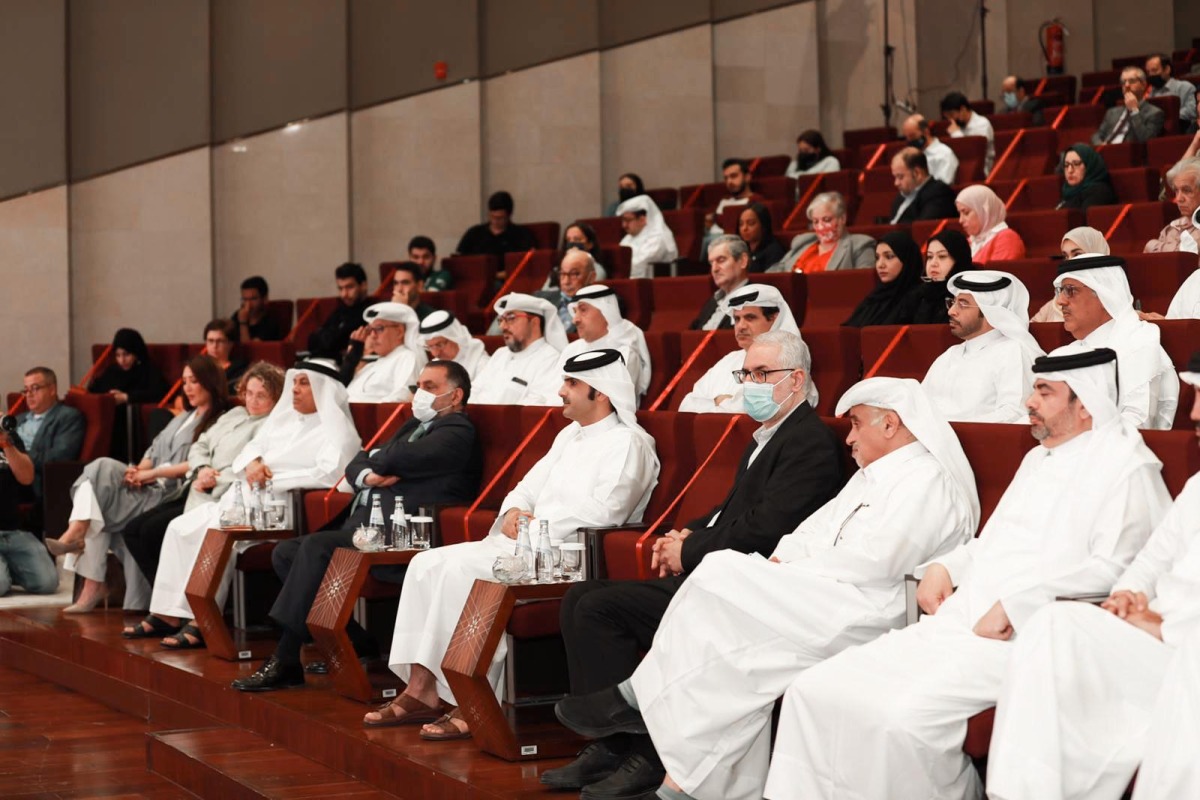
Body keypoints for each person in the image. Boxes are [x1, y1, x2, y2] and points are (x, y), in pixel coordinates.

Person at [764, 346, 1172, 800]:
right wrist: (945, 565)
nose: (1029, 402)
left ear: (1086, 404)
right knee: (814, 689)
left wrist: (1018, 605)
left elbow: (1120, 571)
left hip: (1028, 639)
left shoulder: (1127, 469)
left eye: (1044, 392)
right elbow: (992, 542)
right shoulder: (1040, 460)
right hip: (961, 620)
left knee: (899, 719)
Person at [554, 377, 979, 800]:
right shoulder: (870, 478)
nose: (849, 437)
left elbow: (878, 562)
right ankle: (680, 785)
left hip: (870, 608)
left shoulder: (926, 481)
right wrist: (782, 561)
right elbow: (810, 532)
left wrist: (787, 572)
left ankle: (640, 700)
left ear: (890, 424)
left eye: (856, 424)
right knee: (733, 663)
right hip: (820, 596)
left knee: (719, 575)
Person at [546, 332, 849, 798]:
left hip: (746, 587)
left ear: (797, 379)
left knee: (599, 607)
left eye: (761, 374)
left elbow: (767, 527)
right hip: (716, 570)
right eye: (745, 374)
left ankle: (648, 755)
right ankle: (611, 745)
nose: (749, 383)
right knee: (584, 597)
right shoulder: (767, 436)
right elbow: (728, 513)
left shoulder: (809, 442)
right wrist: (684, 533)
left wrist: (689, 550)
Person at [363, 350, 660, 739]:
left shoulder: (629, 443)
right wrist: (516, 512)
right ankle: (421, 689)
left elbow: (609, 510)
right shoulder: (568, 435)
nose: (561, 391)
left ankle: (474, 701)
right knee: (426, 563)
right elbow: (525, 487)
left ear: (600, 392)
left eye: (571, 384)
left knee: (457, 571)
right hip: (523, 545)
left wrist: (535, 527)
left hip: (565, 556)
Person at [985, 353, 1200, 800]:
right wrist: (1127, 594)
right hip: (1153, 636)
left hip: (1186, 649)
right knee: (1051, 624)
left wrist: (1162, 625)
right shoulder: (1198, 488)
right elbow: (1152, 557)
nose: (1194, 413)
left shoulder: (1125, 462)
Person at [230, 360, 483, 692]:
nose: (420, 393)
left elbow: (395, 459)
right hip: (366, 526)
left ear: (455, 395)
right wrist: (369, 473)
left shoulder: (458, 430)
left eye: (430, 387)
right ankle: (358, 639)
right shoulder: (413, 426)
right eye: (418, 385)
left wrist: (380, 460)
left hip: (403, 532)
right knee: (286, 552)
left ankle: (286, 657)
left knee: (315, 547)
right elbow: (358, 461)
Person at [130, 360, 360, 649]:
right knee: (179, 526)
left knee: (216, 532)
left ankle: (202, 621)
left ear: (324, 390)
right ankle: (167, 613)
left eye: (304, 383)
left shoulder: (336, 430)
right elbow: (251, 449)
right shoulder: (287, 419)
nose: (296, 390)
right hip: (244, 498)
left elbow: (330, 474)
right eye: (295, 382)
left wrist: (272, 477)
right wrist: (253, 462)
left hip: (282, 507)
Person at [46, 356, 234, 614]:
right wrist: (138, 471)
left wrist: (151, 474)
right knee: (100, 473)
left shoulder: (218, 421)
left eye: (195, 381)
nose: (188, 388)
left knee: (98, 497)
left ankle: (78, 542)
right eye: (185, 381)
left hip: (169, 492)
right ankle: (78, 531)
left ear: (211, 383)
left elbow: (195, 464)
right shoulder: (182, 417)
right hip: (148, 482)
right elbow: (153, 449)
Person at [121, 363, 282, 597]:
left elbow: (247, 467)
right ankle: (166, 601)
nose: (252, 401)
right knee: (133, 530)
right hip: (196, 484)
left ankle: (181, 603)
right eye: (248, 393)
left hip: (218, 494)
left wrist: (213, 479)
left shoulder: (269, 425)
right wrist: (203, 468)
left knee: (152, 531)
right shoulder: (235, 414)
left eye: (261, 396)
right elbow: (200, 444)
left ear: (276, 398)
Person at [1054, 254, 1179, 429]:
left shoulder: (1138, 341)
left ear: (1105, 294)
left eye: (1070, 290)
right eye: (1060, 291)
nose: (1060, 301)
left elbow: (1138, 421)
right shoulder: (1067, 352)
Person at [922, 271, 1044, 423]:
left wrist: (951, 430)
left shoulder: (1012, 351)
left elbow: (1014, 412)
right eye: (952, 302)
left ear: (990, 311)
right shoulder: (950, 354)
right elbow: (919, 406)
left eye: (963, 304)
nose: (951, 311)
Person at [678, 284, 810, 415]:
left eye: (750, 318)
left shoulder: (790, 353)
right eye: (737, 319)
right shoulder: (730, 358)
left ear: (774, 318)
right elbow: (686, 405)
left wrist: (717, 403)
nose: (740, 326)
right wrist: (722, 402)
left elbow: (761, 409)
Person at [471, 292, 567, 405]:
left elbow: (537, 407)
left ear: (534, 322)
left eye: (511, 318)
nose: (502, 326)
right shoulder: (500, 354)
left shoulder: (551, 359)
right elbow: (474, 392)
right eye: (501, 320)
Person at [560, 284, 652, 399]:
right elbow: (553, 392)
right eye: (574, 311)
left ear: (607, 312)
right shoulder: (571, 349)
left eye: (583, 310)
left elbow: (606, 404)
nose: (575, 320)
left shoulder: (623, 354)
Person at [0, 423, 60, 598]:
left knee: (47, 583)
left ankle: (7, 568)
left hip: (13, 531)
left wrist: (6, 444)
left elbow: (26, 478)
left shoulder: (9, 436)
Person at [16, 367, 84, 502]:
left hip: (33, 481)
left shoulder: (68, 417)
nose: (29, 395)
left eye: (35, 388)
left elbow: (57, 458)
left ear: (52, 389)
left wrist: (17, 457)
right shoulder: (18, 419)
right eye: (26, 390)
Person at [768, 192, 875, 273]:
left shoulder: (860, 245)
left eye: (826, 220)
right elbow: (775, 272)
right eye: (815, 221)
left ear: (842, 218)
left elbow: (863, 283)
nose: (820, 227)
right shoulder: (802, 242)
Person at [342, 302, 427, 403]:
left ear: (399, 331)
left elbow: (403, 396)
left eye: (378, 329)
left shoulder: (407, 357)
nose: (372, 336)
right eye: (370, 330)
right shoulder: (373, 364)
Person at [843, 231, 924, 327]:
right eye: (877, 258)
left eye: (889, 257)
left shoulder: (919, 299)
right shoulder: (874, 298)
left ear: (906, 260)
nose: (880, 264)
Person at [1031, 227, 1109, 323]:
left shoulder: (1111, 300)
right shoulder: (1055, 302)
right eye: (1066, 256)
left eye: (1077, 254)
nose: (1069, 262)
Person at [87, 328, 170, 407]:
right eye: (117, 355)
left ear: (136, 353)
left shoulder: (148, 370)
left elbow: (160, 393)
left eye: (126, 354)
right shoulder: (112, 370)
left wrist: (126, 397)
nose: (121, 360)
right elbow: (93, 391)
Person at [306, 263, 371, 362]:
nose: (344, 294)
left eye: (349, 287)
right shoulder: (340, 310)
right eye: (340, 288)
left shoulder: (369, 313)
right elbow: (312, 341)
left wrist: (328, 339)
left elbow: (337, 341)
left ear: (363, 286)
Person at [909, 229, 974, 325]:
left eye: (942, 256)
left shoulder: (970, 297)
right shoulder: (917, 296)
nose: (933, 264)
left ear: (959, 260)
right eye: (930, 257)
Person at [690, 235, 750, 330]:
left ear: (742, 261)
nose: (714, 269)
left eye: (721, 260)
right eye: (711, 263)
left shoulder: (756, 301)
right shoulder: (712, 302)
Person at [1093, 67, 1166, 145]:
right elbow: (1096, 136)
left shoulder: (1155, 113)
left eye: (1132, 81)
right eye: (1123, 82)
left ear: (1143, 84)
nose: (1126, 85)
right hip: (1106, 151)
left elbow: (1146, 140)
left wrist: (1134, 111)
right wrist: (1100, 144)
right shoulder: (1112, 112)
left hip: (1128, 152)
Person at [1144, 156, 1200, 256]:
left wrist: (1152, 245)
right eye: (1176, 191)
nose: (1179, 199)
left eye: (1187, 190)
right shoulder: (1171, 228)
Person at [956, 184, 1026, 263]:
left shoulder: (1007, 238)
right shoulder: (968, 242)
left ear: (984, 211)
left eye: (966, 213)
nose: (960, 220)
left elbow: (997, 273)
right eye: (959, 214)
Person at [455, 190, 536, 257]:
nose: (495, 221)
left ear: (509, 216)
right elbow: (460, 259)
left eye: (500, 218)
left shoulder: (521, 235)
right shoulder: (474, 233)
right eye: (492, 216)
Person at [887, 148, 957, 224]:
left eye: (900, 177)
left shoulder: (939, 193)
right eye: (895, 177)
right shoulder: (901, 197)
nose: (896, 183)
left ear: (917, 173)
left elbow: (923, 227)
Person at [616, 194, 678, 279]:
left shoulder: (658, 236)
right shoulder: (628, 238)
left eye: (628, 220)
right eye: (623, 220)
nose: (624, 225)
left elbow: (640, 265)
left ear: (642, 219)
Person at [538, 249, 598, 333]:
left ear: (591, 277)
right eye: (562, 274)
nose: (566, 282)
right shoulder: (539, 299)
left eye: (574, 274)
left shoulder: (601, 306)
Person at [418, 311, 490, 380]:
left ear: (456, 338)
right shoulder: (431, 367)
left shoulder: (481, 363)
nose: (435, 353)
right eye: (430, 347)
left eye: (439, 345)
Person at [941, 91, 996, 175]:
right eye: (947, 117)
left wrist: (956, 134)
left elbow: (973, 153)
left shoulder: (982, 124)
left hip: (981, 170)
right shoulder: (956, 126)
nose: (950, 120)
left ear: (963, 109)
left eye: (951, 115)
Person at [707, 158, 762, 235]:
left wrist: (715, 217)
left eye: (734, 176)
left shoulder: (756, 200)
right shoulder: (724, 199)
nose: (729, 182)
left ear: (747, 177)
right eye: (726, 178)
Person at [901, 114, 960, 186]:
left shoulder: (944, 154)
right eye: (907, 137)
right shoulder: (911, 155)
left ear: (926, 132)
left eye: (912, 136)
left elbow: (943, 185)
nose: (910, 140)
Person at [1057, 144, 1117, 212]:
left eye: (1076, 164)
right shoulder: (1068, 191)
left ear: (1089, 165)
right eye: (1066, 165)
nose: (1070, 170)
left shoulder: (1098, 192)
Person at [1146, 53, 1197, 129]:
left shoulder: (1185, 87)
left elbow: (1192, 111)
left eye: (1154, 70)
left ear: (1167, 69)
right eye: (1148, 72)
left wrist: (1168, 119)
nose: (1151, 75)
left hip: (1182, 129)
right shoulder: (1151, 92)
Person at [202, 319, 249, 394]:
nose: (214, 346)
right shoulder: (198, 367)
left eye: (220, 341)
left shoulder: (240, 371)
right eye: (210, 341)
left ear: (230, 344)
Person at [231, 276, 283, 342]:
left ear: (264, 299)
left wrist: (243, 323)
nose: (248, 304)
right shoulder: (236, 316)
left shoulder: (270, 323)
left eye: (253, 299)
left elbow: (251, 350)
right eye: (245, 299)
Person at [738, 203, 785, 274]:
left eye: (751, 223)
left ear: (763, 225)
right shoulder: (740, 249)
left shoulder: (774, 251)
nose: (744, 228)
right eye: (741, 224)